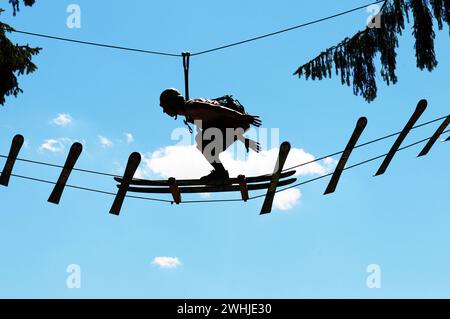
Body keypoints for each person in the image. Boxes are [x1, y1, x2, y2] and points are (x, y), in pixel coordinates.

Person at [159, 88, 262, 181]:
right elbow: (221, 124)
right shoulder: (190, 114)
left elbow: (217, 109)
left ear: (172, 103)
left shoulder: (192, 106)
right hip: (235, 125)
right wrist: (244, 140)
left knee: (203, 141)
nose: (164, 111)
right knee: (203, 140)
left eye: (165, 106)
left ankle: (221, 173)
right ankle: (220, 172)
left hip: (238, 121)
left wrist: (243, 116)